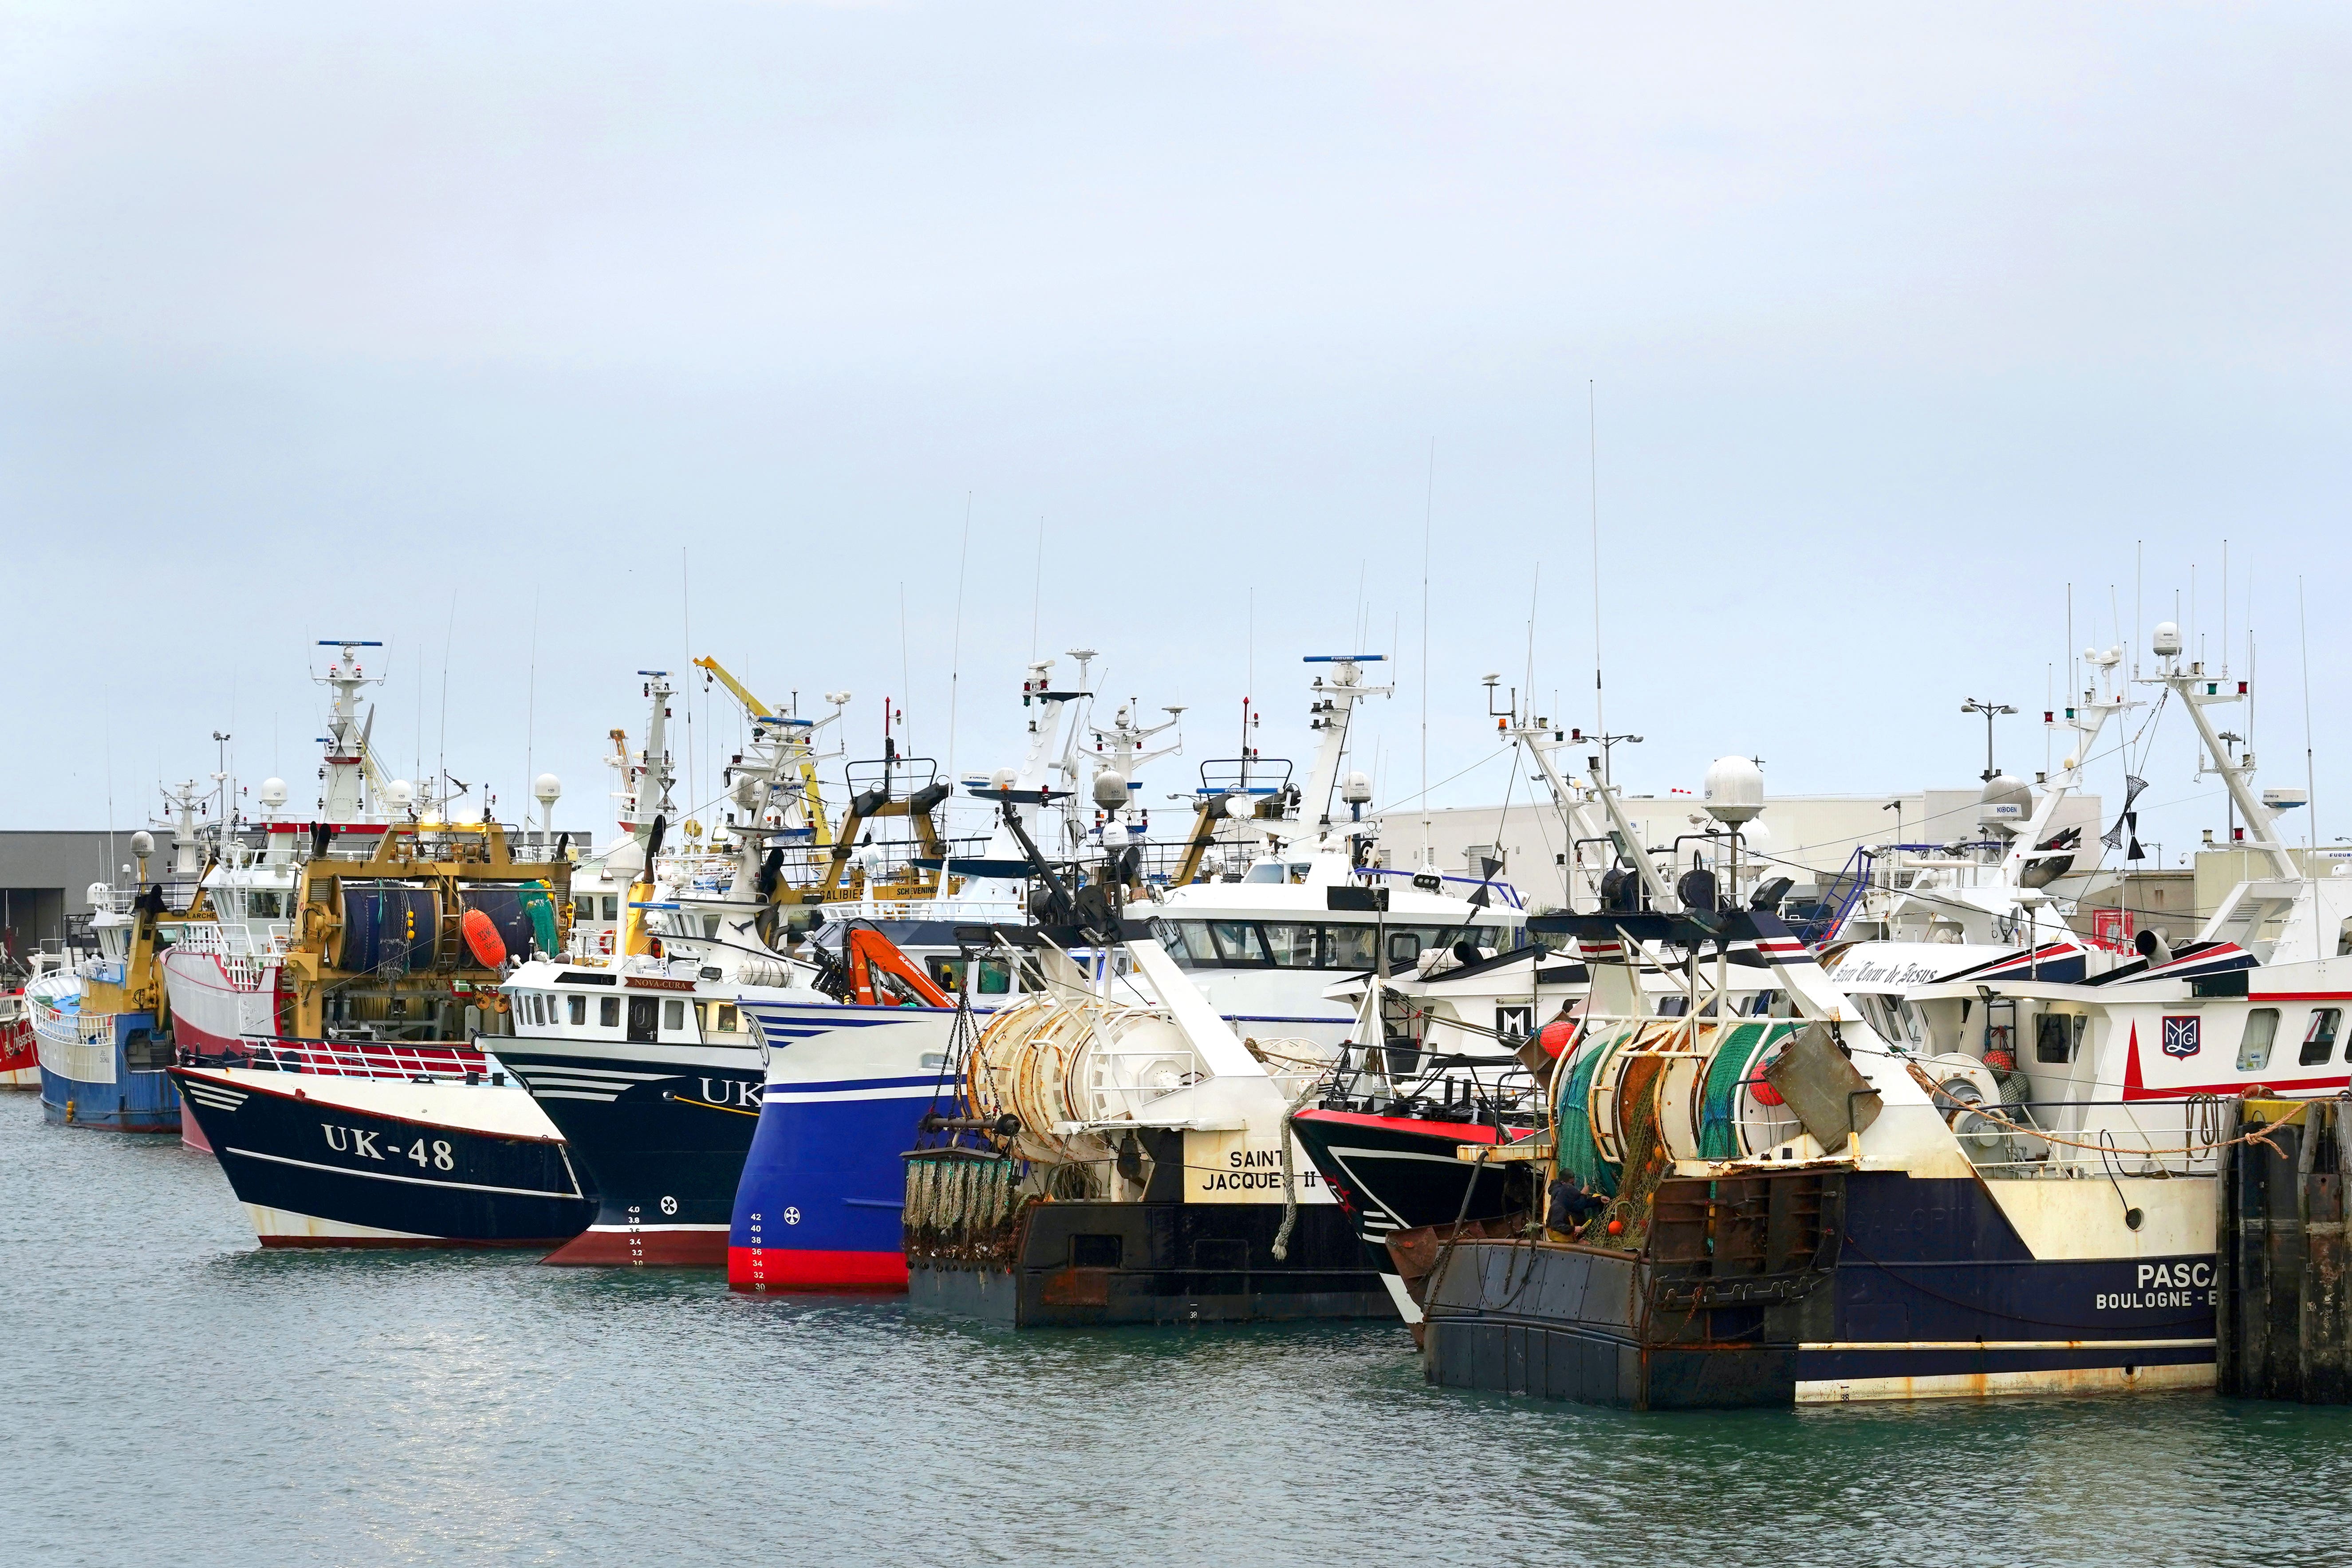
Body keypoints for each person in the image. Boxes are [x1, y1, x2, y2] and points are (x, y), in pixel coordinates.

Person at [1545, 1169, 1606, 1238]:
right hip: (1566, 1237)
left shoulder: (1566, 1194)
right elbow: (1578, 1206)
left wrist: (1599, 1200)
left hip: (1572, 1235)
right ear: (1563, 1183)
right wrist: (1574, 1229)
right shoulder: (1559, 1206)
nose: (1573, 1185)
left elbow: (1578, 1203)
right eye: (1571, 1183)